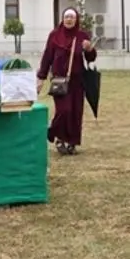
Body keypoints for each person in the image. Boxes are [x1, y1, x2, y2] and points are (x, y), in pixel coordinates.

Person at [37, 8, 96, 155]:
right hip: (59, 80)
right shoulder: (54, 35)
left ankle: (71, 142)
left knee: (75, 112)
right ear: (62, 19)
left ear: (76, 20)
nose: (69, 19)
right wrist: (41, 77)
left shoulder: (82, 36)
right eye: (66, 17)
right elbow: (47, 57)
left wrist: (89, 49)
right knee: (64, 110)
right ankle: (56, 135)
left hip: (77, 81)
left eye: (72, 17)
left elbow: (90, 58)